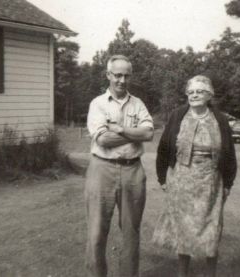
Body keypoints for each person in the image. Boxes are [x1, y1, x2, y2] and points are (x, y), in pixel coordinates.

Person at [153, 75, 237, 277]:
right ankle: (182, 273)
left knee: (212, 228)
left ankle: (210, 273)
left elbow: (229, 152)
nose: (194, 95)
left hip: (211, 182)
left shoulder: (220, 119)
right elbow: (164, 148)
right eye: (190, 92)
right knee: (184, 229)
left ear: (209, 95)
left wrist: (228, 183)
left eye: (199, 91)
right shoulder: (177, 116)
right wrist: (163, 178)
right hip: (182, 181)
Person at [85, 55, 154, 277]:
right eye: (117, 75)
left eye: (126, 75)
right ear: (108, 75)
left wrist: (121, 130)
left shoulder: (138, 104)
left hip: (133, 171)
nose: (122, 80)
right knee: (96, 232)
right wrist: (135, 135)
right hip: (101, 169)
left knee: (131, 233)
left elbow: (149, 133)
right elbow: (103, 140)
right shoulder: (97, 104)